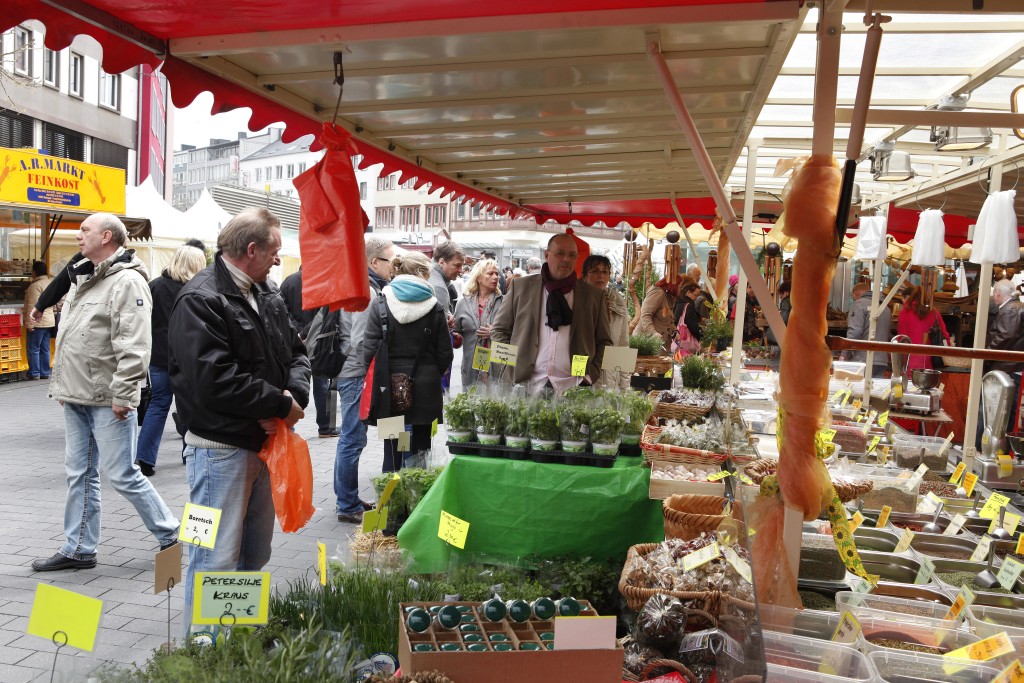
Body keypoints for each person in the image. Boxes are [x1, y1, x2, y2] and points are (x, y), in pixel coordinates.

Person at [167, 207, 309, 636]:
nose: (278, 259)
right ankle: (204, 650)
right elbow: (213, 380)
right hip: (219, 452)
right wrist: (278, 406)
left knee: (254, 553)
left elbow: (297, 354)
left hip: (264, 445)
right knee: (213, 557)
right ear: (251, 249)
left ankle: (239, 642)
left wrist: (291, 399)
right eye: (274, 250)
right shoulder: (200, 298)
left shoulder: (266, 292)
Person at [32, 213, 179, 572]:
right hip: (77, 395)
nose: (79, 236)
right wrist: (63, 384)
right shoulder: (83, 276)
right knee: (79, 474)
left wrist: (124, 395)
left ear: (107, 237)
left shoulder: (127, 281)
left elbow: (135, 343)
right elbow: (72, 335)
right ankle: (79, 548)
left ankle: (170, 533)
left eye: (85, 230)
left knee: (122, 474)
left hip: (108, 397)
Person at [361, 252, 453, 472]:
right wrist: (431, 373)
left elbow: (369, 350)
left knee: (392, 448)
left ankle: (391, 490)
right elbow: (445, 354)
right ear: (422, 273)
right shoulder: (435, 307)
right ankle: (416, 491)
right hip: (425, 388)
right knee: (421, 449)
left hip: (388, 386)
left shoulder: (381, 302)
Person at [491, 234, 612, 394]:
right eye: (560, 253)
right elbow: (499, 331)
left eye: (572, 255)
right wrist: (508, 367)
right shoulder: (521, 287)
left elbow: (604, 341)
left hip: (574, 385)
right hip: (527, 383)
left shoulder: (593, 296)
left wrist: (589, 376)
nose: (566, 259)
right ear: (547, 255)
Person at [334, 236, 395, 524]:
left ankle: (348, 498)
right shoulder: (366, 291)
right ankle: (346, 504)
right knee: (353, 439)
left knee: (351, 439)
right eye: (391, 261)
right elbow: (360, 341)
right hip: (356, 373)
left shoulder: (363, 286)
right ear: (374, 262)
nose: (394, 266)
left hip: (352, 372)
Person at [135, 244, 207, 476]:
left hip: (158, 357)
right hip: (187, 357)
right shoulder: (196, 289)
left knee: (158, 404)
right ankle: (189, 453)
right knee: (189, 405)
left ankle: (144, 458)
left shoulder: (154, 285)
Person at [280, 266, 337, 437]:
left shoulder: (289, 281)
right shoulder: (322, 283)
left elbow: (281, 309)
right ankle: (326, 427)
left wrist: (295, 331)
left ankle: (289, 424)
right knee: (322, 384)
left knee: (293, 380)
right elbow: (323, 315)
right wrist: (305, 332)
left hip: (292, 340)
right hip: (317, 340)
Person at [582, 254, 629, 390]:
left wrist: (624, 387)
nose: (600, 276)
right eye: (595, 271)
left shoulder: (617, 302)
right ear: (585, 276)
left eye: (605, 272)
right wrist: (578, 379)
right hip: (583, 376)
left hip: (610, 380)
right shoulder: (576, 301)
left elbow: (622, 346)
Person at [454, 258, 504, 388]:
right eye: (490, 273)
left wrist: (495, 332)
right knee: (471, 397)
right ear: (478, 278)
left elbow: (516, 332)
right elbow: (456, 334)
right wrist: (454, 336)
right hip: (471, 365)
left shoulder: (504, 303)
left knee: (496, 397)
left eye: (496, 273)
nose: (495, 277)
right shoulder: (463, 303)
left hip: (498, 364)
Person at [896, 284, 952, 373]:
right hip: (929, 361)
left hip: (909, 360)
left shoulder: (904, 312)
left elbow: (901, 338)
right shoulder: (934, 312)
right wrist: (947, 352)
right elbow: (944, 335)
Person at [841, 281, 892, 377]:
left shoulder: (859, 305)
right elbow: (888, 334)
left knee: (856, 386)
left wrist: (844, 354)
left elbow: (855, 332)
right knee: (875, 386)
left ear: (855, 296)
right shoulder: (886, 308)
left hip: (862, 359)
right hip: (881, 360)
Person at [24, 260, 54, 380]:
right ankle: (45, 372)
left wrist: (29, 324)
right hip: (49, 321)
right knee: (45, 348)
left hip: (37, 322)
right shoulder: (50, 283)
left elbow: (32, 306)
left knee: (33, 349)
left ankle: (34, 372)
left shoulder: (35, 286)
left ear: (35, 272)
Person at [638, 277, 679, 351]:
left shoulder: (669, 298)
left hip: (660, 343)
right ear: (674, 285)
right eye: (680, 287)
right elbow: (645, 314)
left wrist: (675, 331)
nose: (681, 290)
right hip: (647, 342)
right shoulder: (658, 293)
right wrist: (652, 333)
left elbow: (668, 319)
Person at [428, 241, 465, 315]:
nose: (461, 270)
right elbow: (440, 321)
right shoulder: (439, 287)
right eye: (457, 265)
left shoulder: (427, 273)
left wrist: (447, 314)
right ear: (441, 262)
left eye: (462, 266)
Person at [765, 280, 792, 346]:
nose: (780, 297)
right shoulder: (797, 302)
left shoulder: (786, 302)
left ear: (786, 292)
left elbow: (782, 321)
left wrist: (768, 334)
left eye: (781, 294)